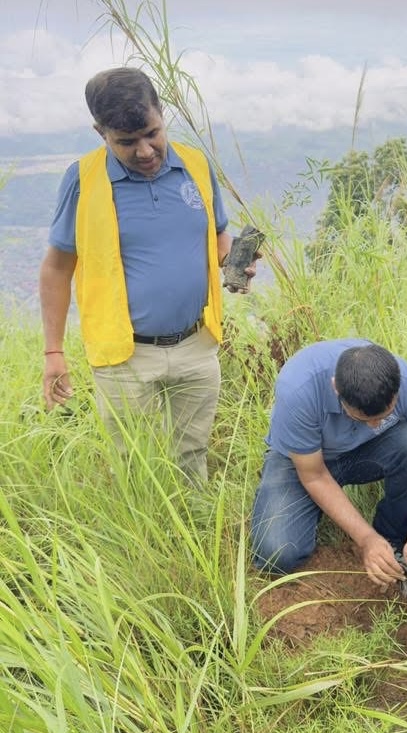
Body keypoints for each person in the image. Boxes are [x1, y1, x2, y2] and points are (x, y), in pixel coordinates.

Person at [39, 67, 252, 483]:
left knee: (192, 456)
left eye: (152, 133)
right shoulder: (83, 180)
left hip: (196, 343)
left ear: (161, 113)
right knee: (134, 467)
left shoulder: (194, 164)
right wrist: (53, 352)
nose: (145, 151)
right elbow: (56, 269)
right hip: (125, 355)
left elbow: (217, 235)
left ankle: (194, 522)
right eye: (126, 141)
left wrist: (235, 261)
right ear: (100, 132)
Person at [250, 339, 407, 586]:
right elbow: (314, 476)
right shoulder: (298, 389)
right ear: (335, 389)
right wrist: (365, 539)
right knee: (276, 554)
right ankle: (316, 515)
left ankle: (391, 538)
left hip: (365, 450)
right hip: (301, 461)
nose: (374, 425)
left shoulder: (405, 380)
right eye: (362, 419)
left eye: (383, 417)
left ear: (397, 390)